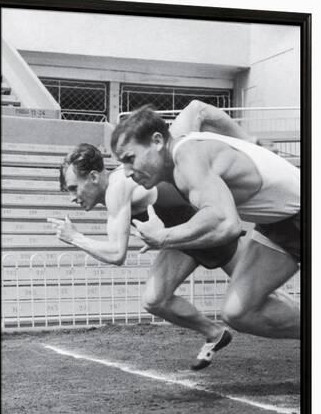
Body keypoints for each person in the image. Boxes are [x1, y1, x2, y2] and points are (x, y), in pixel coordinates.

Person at [50, 101, 260, 370]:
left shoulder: (117, 188)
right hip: (178, 237)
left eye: (72, 188)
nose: (72, 199)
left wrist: (74, 237)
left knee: (259, 296)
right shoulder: (116, 191)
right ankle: (214, 332)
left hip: (205, 227)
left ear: (92, 177)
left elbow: (116, 254)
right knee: (154, 300)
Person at [110, 102, 300, 351]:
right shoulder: (175, 152)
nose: (126, 172)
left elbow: (226, 224)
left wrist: (165, 237)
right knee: (237, 312)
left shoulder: (188, 156)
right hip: (276, 224)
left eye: (130, 159)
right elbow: (199, 109)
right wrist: (249, 140)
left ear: (157, 141)